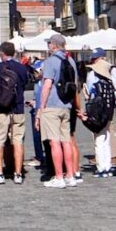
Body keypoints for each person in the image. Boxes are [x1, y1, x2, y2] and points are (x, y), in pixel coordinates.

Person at [37, 33, 80, 189]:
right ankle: (70, 175)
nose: (48, 46)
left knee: (54, 142)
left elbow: (47, 85)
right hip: (66, 105)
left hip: (52, 105)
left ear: (54, 45)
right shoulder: (71, 61)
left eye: (49, 43)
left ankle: (59, 176)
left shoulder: (50, 62)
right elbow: (75, 85)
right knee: (66, 141)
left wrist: (41, 107)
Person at [0, 41, 29, 184]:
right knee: (18, 141)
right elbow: (24, 85)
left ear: (1, 53)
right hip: (17, 108)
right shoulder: (22, 68)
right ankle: (18, 174)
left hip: (0, 109)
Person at [83, 49, 116, 178]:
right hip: (109, 109)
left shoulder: (92, 75)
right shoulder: (110, 75)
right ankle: (108, 166)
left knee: (98, 139)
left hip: (97, 110)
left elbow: (90, 93)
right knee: (106, 137)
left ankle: (101, 167)